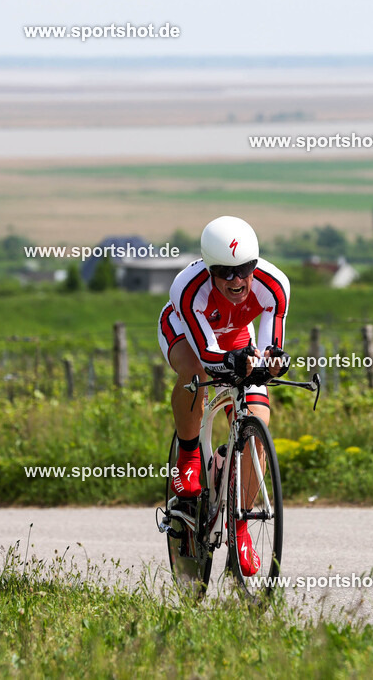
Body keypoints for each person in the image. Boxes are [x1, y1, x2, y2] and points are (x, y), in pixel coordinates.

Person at [156, 216, 290, 576]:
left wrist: (273, 360)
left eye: (244, 269)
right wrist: (236, 361)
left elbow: (269, 345)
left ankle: (240, 527)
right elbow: (207, 354)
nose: (236, 280)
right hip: (188, 334)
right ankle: (188, 457)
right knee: (197, 376)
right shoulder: (188, 287)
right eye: (225, 272)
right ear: (209, 268)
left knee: (259, 418)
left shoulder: (274, 285)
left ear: (255, 264)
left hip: (235, 338)